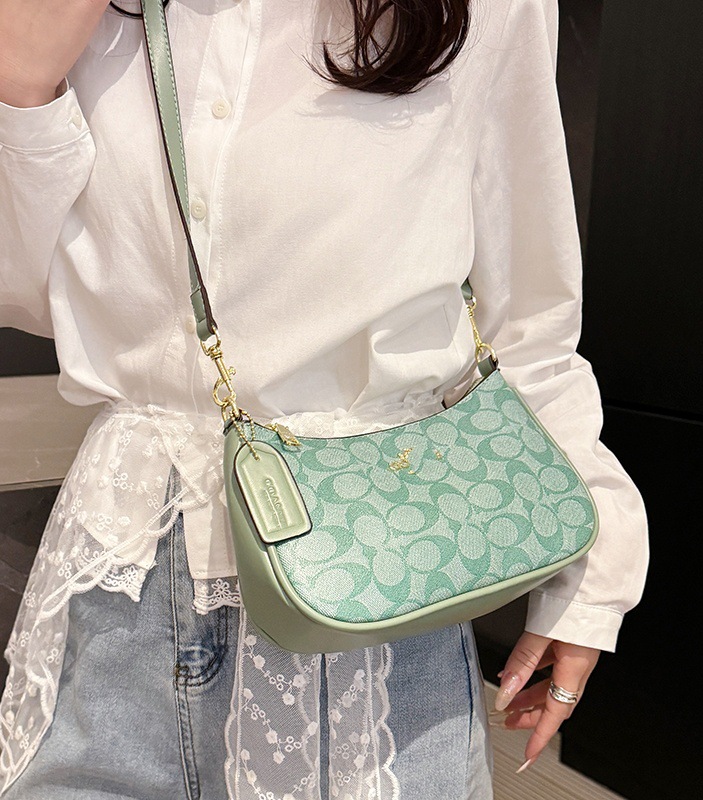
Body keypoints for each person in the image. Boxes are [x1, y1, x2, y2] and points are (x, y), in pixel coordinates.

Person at [0, 0, 649, 797]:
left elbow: (533, 326)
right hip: (119, 593)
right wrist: (21, 86)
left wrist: (591, 576)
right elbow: (22, 295)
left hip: (377, 598)